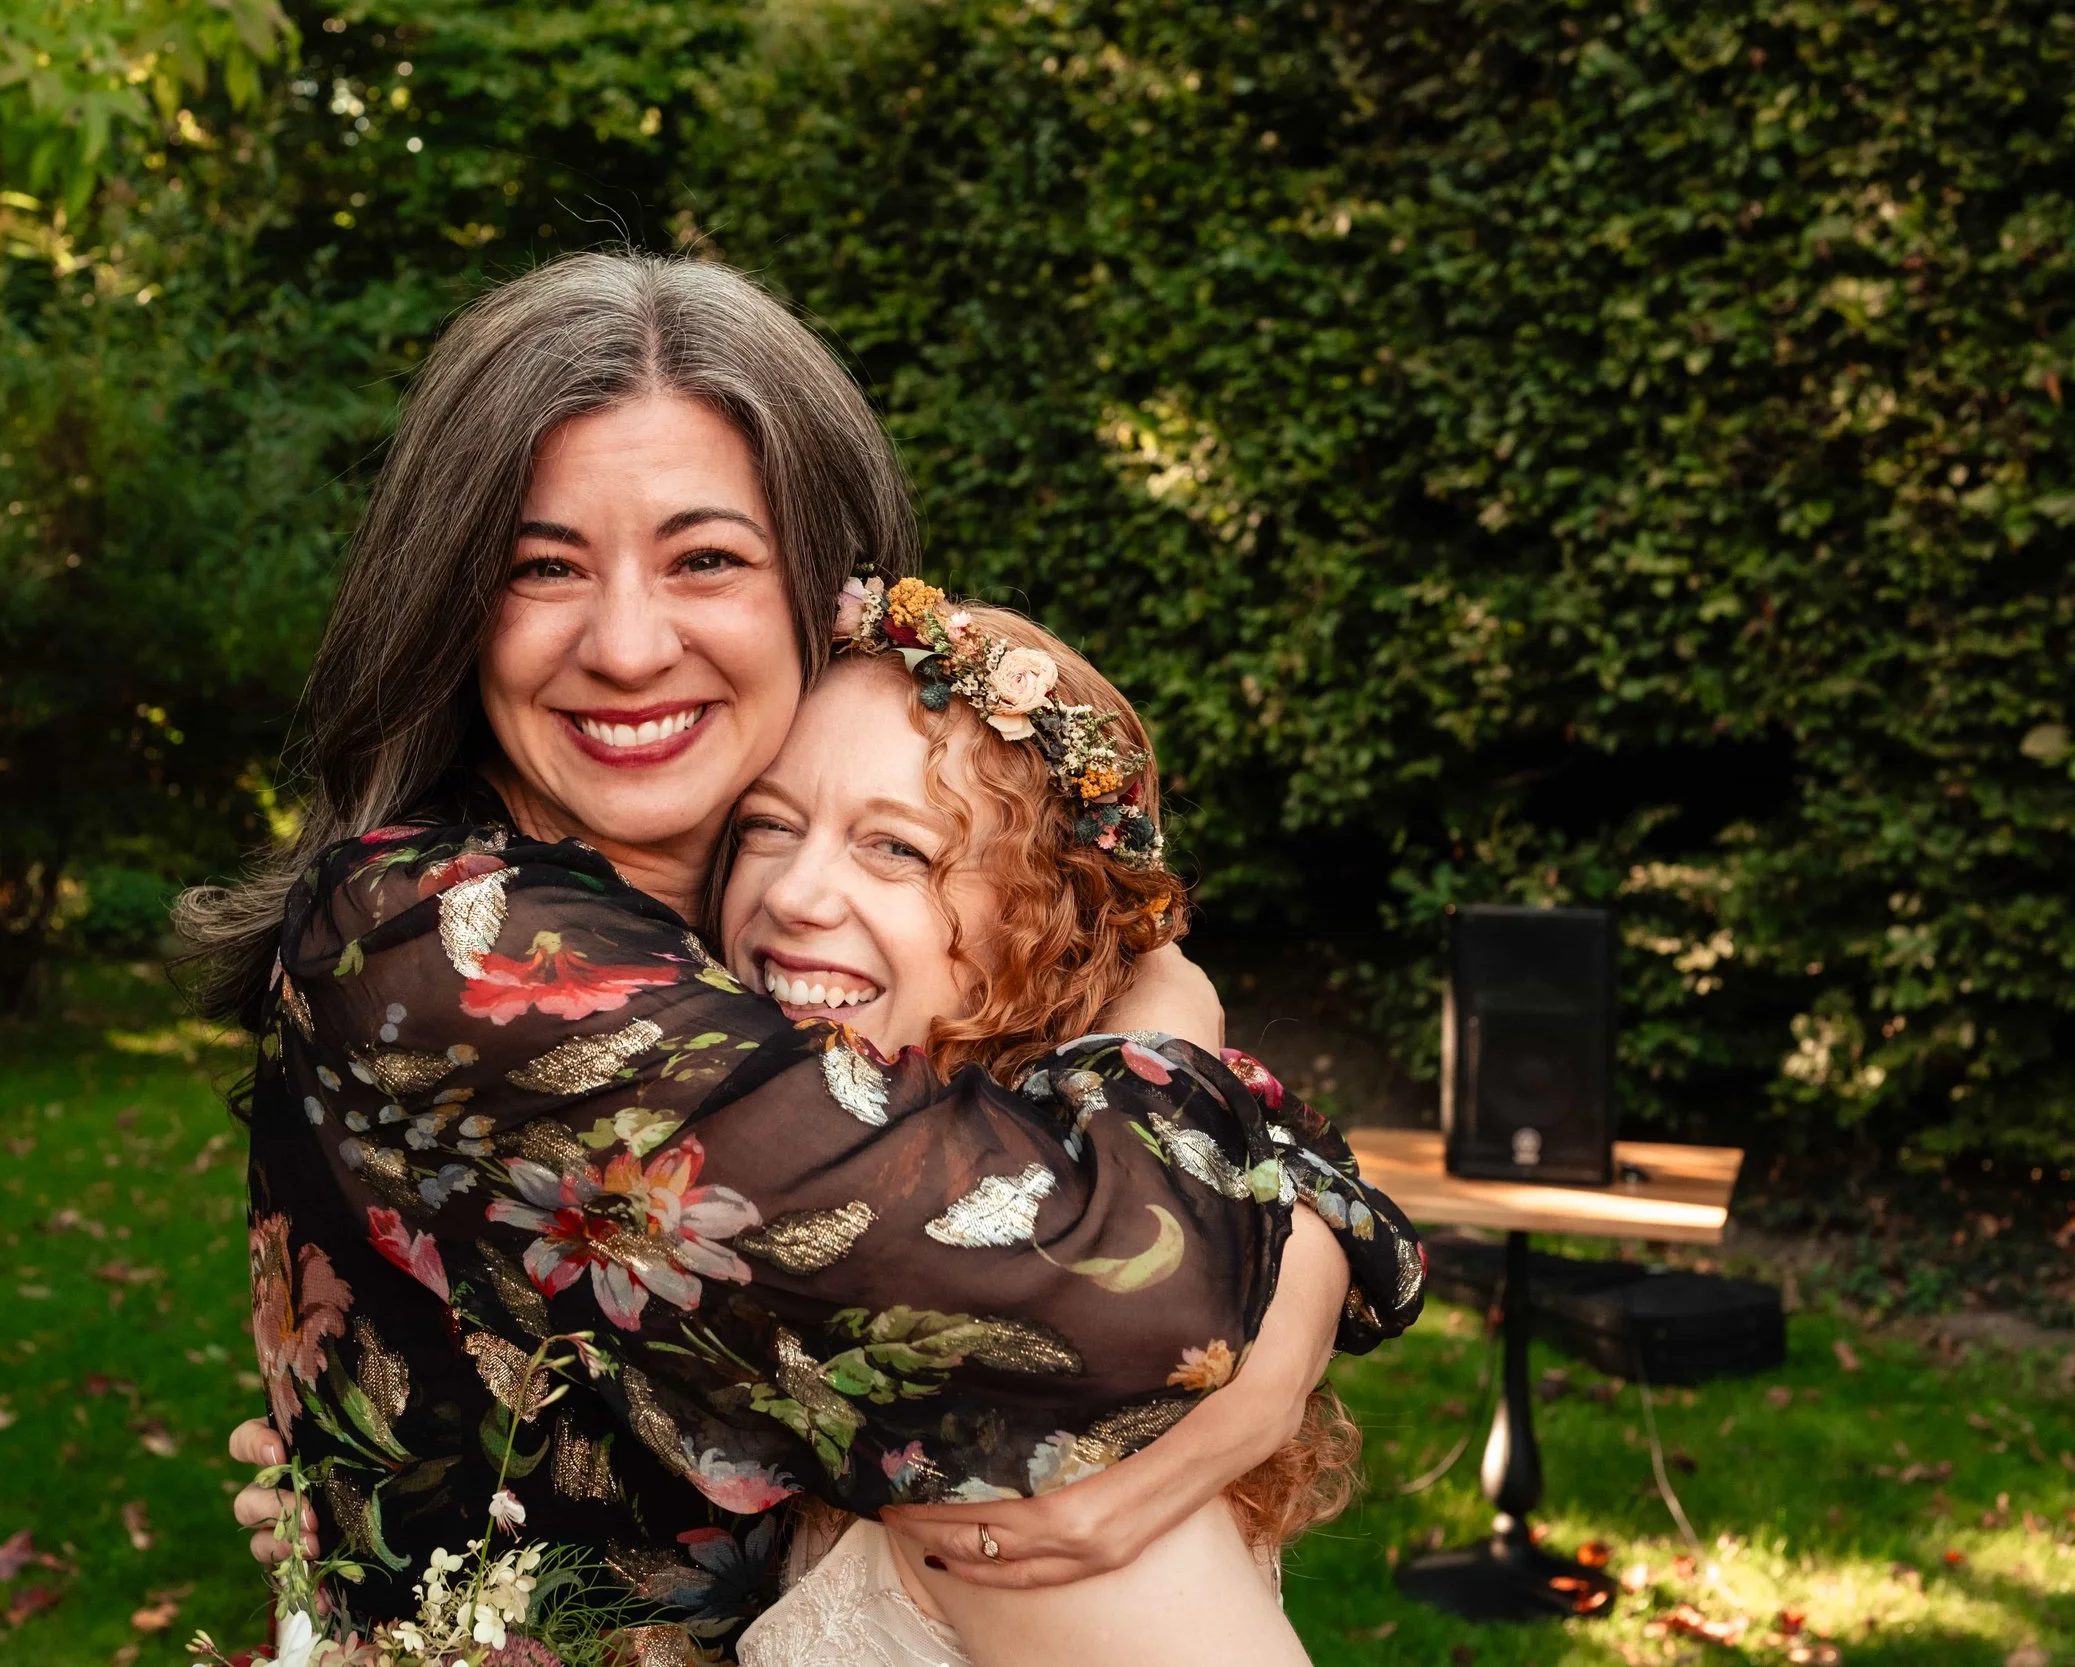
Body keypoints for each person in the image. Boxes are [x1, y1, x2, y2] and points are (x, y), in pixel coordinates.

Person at [180, 251, 1422, 1657]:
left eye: (706, 557)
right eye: (543, 564)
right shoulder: (450, 932)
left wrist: (1294, 1293)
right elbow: (1093, 1286)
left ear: (826, 593)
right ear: (452, 602)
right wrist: (1184, 1039)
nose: (630, 642)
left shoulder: (740, 949)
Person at [723, 588, 1379, 1667]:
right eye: (766, 824)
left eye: (895, 847)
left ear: (1046, 929)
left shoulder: (1027, 1401)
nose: (794, 892)